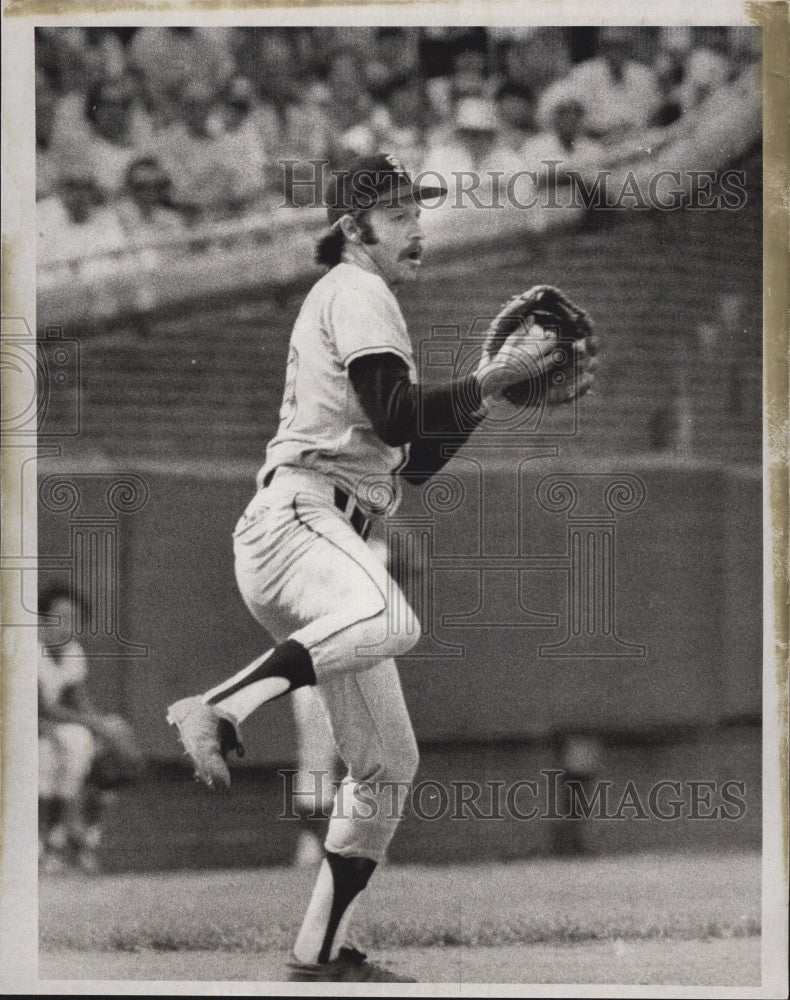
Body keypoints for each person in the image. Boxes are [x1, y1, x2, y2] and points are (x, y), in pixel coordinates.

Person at [167, 153, 598, 981]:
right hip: (300, 521)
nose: (416, 227)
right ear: (352, 227)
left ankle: (318, 954)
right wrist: (490, 374)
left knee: (387, 766)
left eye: (418, 211)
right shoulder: (358, 290)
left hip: (316, 533)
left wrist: (489, 389)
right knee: (393, 618)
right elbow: (399, 412)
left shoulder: (361, 299)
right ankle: (216, 707)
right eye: (397, 213)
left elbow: (412, 456)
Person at [38, 583, 143, 873]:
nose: (66, 625)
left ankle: (79, 838)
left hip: (52, 726)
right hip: (23, 725)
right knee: (63, 746)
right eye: (59, 616)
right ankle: (52, 842)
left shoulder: (72, 651)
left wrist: (106, 730)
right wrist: (94, 725)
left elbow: (80, 701)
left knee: (101, 740)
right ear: (41, 619)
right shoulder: (28, 649)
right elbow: (40, 709)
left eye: (73, 619)